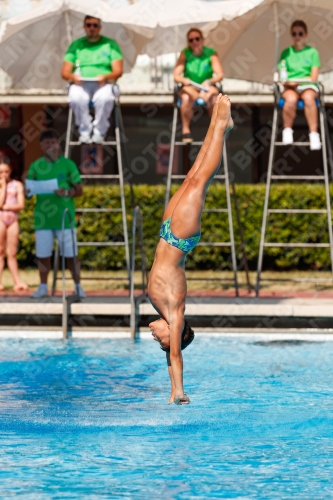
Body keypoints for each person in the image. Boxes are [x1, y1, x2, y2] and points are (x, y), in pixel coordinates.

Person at [148, 94, 233, 405]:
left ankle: (218, 124)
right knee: (201, 180)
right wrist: (179, 391)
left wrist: (171, 388)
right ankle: (221, 123)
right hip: (179, 237)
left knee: (192, 176)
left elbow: (170, 358)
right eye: (162, 341)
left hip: (168, 233)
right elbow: (176, 357)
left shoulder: (165, 312)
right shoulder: (176, 314)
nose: (154, 336)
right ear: (177, 335)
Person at [26, 129, 86, 299]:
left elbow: (79, 190)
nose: (50, 145)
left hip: (65, 218)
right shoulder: (35, 165)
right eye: (47, 143)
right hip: (42, 219)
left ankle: (78, 286)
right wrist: (28, 190)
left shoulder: (68, 164)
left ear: (58, 144)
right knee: (43, 255)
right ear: (41, 146)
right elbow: (27, 190)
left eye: (53, 142)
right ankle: (43, 287)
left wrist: (66, 193)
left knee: (71, 255)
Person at [61, 15, 123, 144]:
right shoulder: (76, 45)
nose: (92, 28)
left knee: (105, 98)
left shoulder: (110, 44)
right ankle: (84, 130)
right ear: (84, 27)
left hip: (104, 84)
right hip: (81, 84)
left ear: (99, 27)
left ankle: (100, 131)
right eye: (89, 25)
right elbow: (65, 72)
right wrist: (73, 77)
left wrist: (105, 77)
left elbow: (118, 71)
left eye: (95, 25)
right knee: (76, 97)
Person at [173, 27, 224, 143]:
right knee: (185, 97)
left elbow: (220, 74)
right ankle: (186, 130)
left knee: (214, 98)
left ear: (202, 39)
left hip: (207, 88)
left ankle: (214, 130)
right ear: (188, 42)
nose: (194, 42)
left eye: (197, 39)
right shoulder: (185, 54)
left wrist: (209, 81)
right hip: (190, 88)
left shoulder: (211, 54)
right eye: (191, 40)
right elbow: (176, 76)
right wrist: (183, 80)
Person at [279, 20, 321, 150]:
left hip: (308, 86)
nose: (297, 36)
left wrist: (297, 81)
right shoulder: (285, 53)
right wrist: (289, 83)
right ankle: (287, 131)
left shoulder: (313, 52)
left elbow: (313, 77)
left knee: (309, 98)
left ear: (306, 34)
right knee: (290, 100)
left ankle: (314, 134)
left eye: (300, 33)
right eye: (294, 33)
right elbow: (282, 76)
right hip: (290, 87)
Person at [0, 160, 28, 292]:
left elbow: (21, 205)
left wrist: (8, 207)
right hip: (0, 220)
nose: (4, 174)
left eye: (6, 171)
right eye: (1, 172)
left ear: (10, 170)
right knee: (0, 251)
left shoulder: (17, 185)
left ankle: (17, 282)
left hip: (12, 220)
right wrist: (3, 187)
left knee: (12, 252)